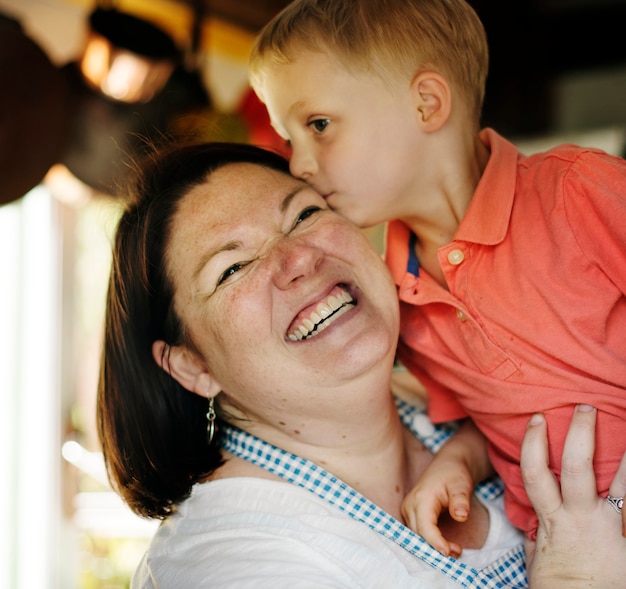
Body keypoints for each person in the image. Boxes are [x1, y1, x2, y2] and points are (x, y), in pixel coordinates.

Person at [97, 141, 625, 588]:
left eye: (305, 214)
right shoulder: (228, 564)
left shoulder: (461, 392)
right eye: (232, 268)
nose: (298, 257)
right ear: (191, 365)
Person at [248, 0, 626, 557]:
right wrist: (458, 461)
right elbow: (502, 418)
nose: (300, 164)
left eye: (318, 125)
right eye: (289, 140)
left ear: (427, 103)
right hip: (560, 556)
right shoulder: (395, 301)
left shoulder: (578, 192)